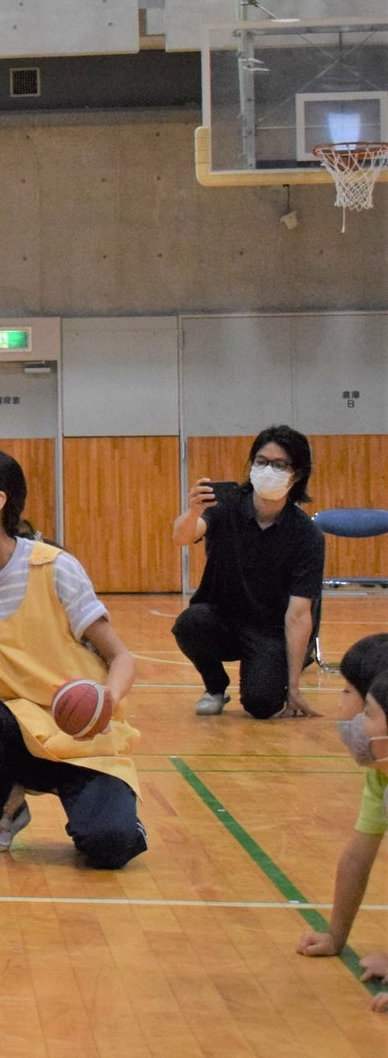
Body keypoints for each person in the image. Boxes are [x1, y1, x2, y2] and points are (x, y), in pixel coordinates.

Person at [0, 448, 148, 870]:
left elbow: (121, 657)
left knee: (109, 847)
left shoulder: (55, 567)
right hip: (17, 740)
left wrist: (107, 700)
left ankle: (119, 819)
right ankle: (5, 809)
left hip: (85, 742)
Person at [172, 425, 326, 720]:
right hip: (222, 619)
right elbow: (182, 537)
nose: (268, 469)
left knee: (263, 705)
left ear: (297, 473)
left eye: (280, 464)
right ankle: (215, 687)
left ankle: (269, 678)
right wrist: (192, 511)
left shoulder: (307, 536)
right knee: (191, 622)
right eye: (261, 461)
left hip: (270, 630)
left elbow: (299, 614)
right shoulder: (225, 503)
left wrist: (293, 687)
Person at [295, 633, 388, 1014]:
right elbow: (357, 857)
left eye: (359, 702)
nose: (342, 709)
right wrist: (336, 936)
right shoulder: (381, 776)